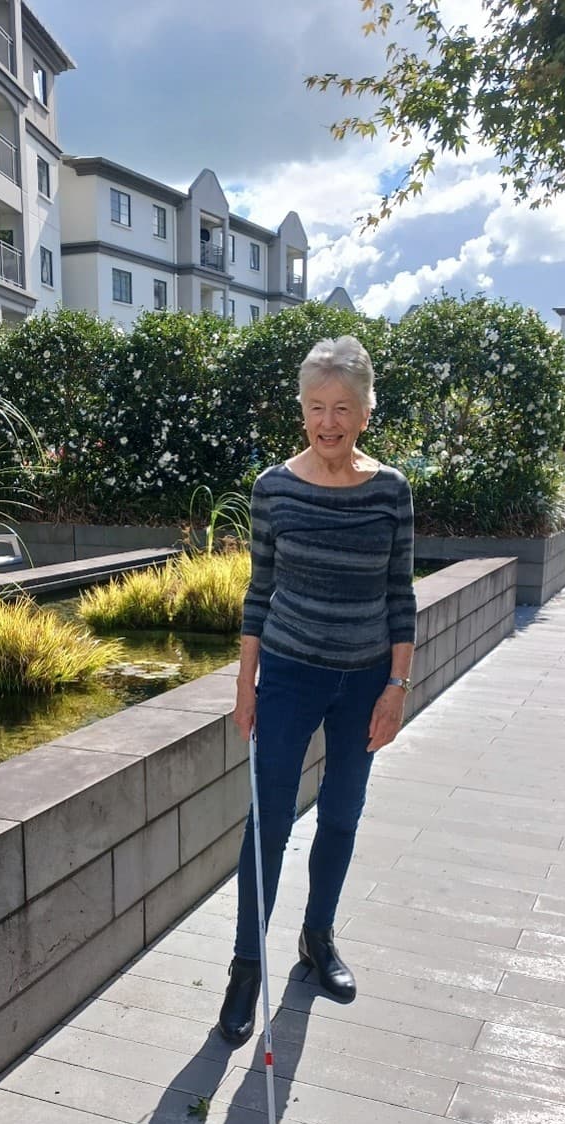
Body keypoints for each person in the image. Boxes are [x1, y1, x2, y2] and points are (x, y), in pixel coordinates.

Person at [218, 335, 417, 1046]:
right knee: (267, 821)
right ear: (301, 410)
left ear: (365, 412)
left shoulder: (391, 490)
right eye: (314, 407)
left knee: (340, 813)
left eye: (341, 408)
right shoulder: (274, 487)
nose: (327, 422)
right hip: (290, 674)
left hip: (364, 680)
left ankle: (316, 938)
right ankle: (246, 966)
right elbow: (258, 590)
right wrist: (246, 684)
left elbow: (400, 593)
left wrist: (396, 685)